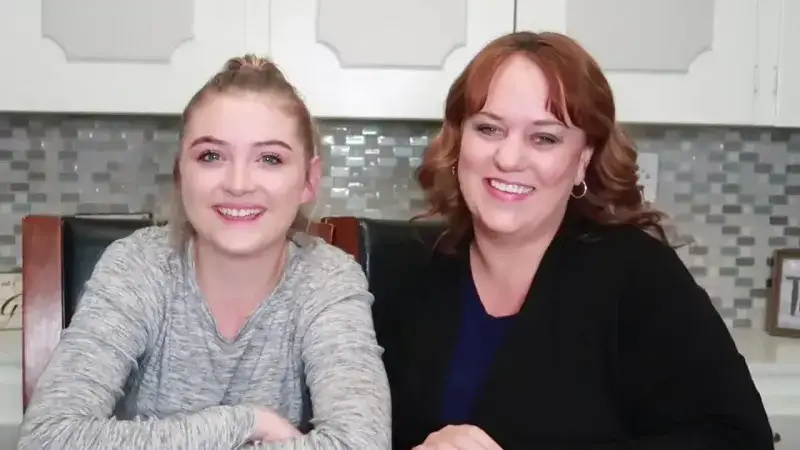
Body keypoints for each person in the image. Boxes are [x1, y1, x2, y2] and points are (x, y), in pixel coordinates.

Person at [377, 31, 775, 449]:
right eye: (489, 129)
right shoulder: (409, 273)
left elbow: (737, 439)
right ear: (459, 141)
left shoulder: (638, 276)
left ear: (583, 158)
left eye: (544, 138)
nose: (509, 158)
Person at [17, 55, 391, 449]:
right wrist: (245, 422)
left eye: (270, 158)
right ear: (181, 173)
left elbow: (361, 444)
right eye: (211, 156)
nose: (238, 183)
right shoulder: (138, 266)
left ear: (308, 181)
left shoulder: (328, 278)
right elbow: (46, 439)